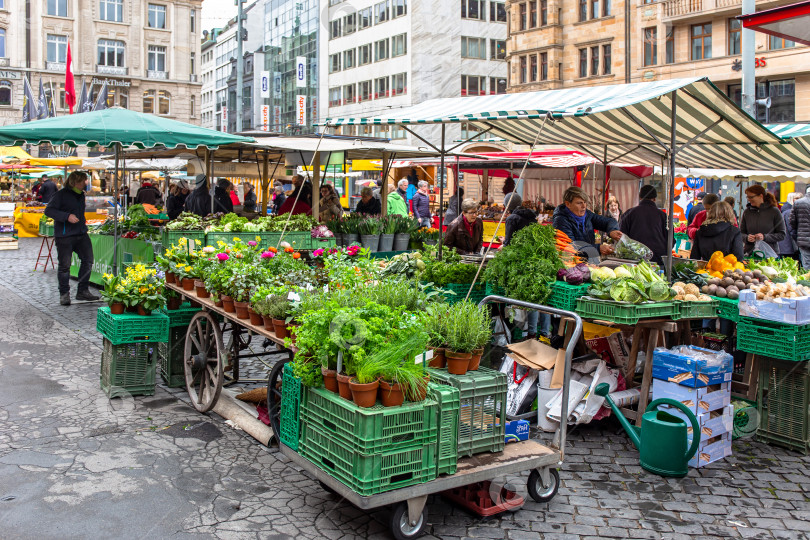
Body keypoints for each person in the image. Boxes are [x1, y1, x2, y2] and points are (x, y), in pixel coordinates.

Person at [44, 171, 100, 306]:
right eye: (83, 181)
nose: (85, 183)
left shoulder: (81, 195)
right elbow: (48, 211)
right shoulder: (61, 195)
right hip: (65, 236)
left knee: (88, 260)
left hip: (81, 233)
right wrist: (66, 216)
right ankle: (64, 294)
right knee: (65, 266)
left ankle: (83, 291)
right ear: (75, 182)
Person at [552, 186, 621, 257]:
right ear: (568, 204)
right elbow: (571, 247)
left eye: (585, 202)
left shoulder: (587, 215)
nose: (584, 206)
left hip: (589, 260)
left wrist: (612, 230)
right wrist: (598, 248)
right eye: (579, 203)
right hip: (572, 263)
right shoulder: (561, 221)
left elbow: (609, 221)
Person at [619, 186, 668, 264]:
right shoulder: (663, 216)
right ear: (655, 199)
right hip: (658, 260)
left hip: (634, 259)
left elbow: (622, 238)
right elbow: (670, 239)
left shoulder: (629, 213)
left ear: (640, 197)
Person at [740, 185, 785, 256]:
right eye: (747, 197)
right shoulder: (747, 212)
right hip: (750, 253)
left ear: (761, 196)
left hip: (770, 254)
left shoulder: (774, 211)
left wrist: (764, 237)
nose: (748, 199)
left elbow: (782, 234)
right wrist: (747, 238)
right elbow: (741, 233)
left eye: (751, 197)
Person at [790, 187, 810, 269]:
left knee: (807, 264)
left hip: (803, 239)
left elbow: (792, 222)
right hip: (803, 238)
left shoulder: (798, 203)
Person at [779, 192, 801, 258]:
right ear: (791, 199)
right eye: (797, 198)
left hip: (786, 245)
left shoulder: (787, 210)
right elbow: (792, 229)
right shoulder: (789, 212)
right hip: (788, 246)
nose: (799, 200)